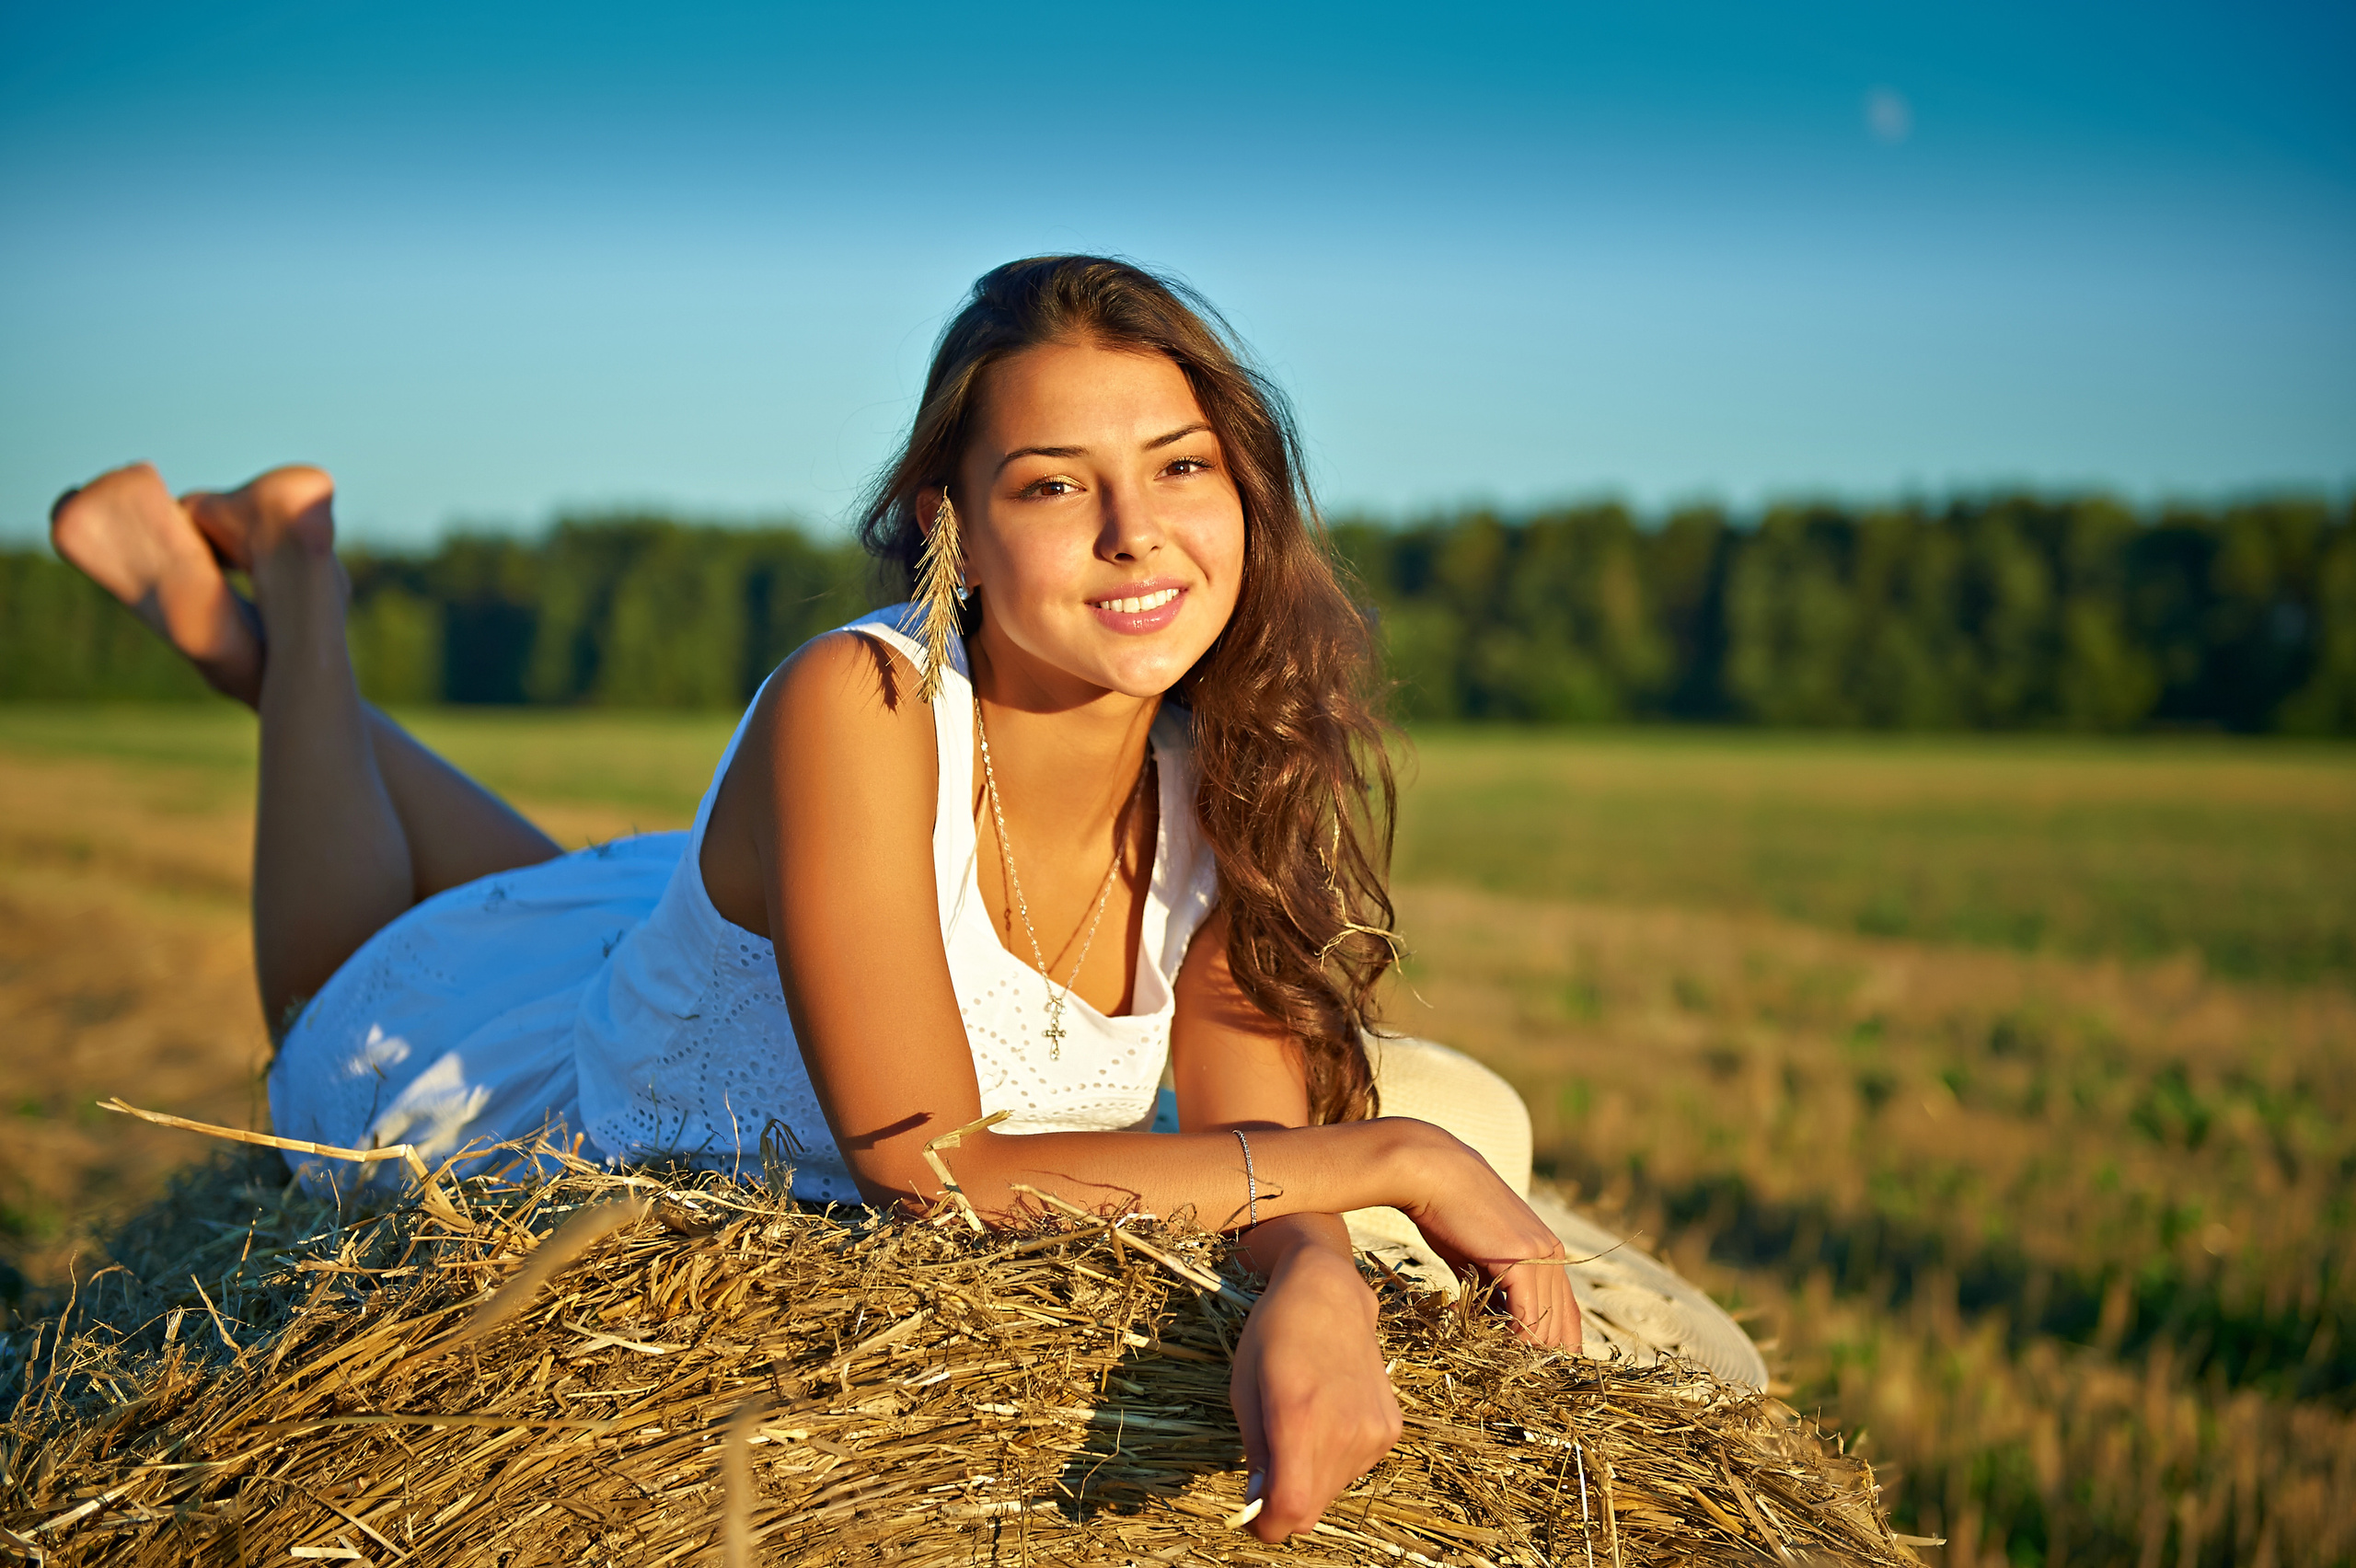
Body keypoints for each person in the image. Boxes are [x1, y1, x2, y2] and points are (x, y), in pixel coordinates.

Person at [51, 256, 1746, 1543]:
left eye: (1182, 468)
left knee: (574, 903)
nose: (1135, 534)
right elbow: (932, 1171)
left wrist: (1310, 1269)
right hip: (580, 1106)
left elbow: (1252, 1116)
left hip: (719, 939)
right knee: (367, 983)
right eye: (1052, 484)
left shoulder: (1231, 756)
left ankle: (242, 617)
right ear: (952, 526)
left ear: (1247, 492)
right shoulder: (854, 710)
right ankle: (294, 579)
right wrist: (1405, 1156)